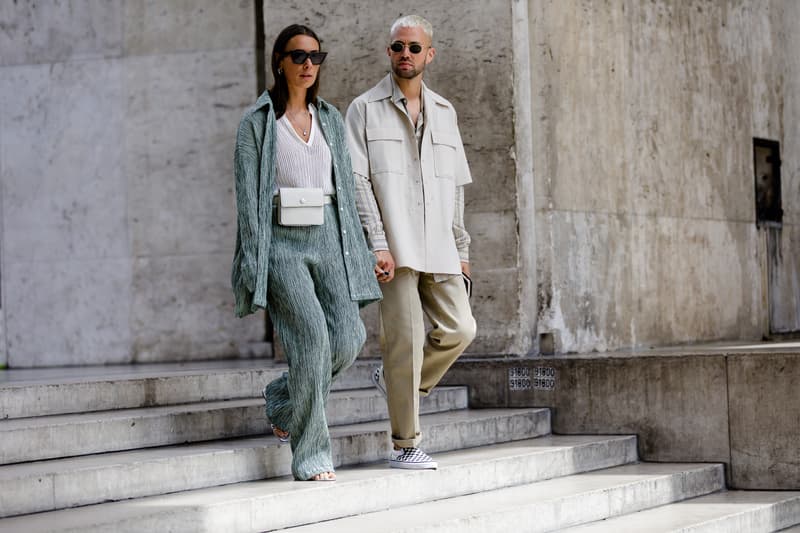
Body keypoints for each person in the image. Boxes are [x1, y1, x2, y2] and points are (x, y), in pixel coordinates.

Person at [232, 24, 381, 482]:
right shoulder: (257, 124)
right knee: (312, 341)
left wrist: (369, 244)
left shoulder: (331, 118)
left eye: (316, 57)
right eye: (298, 57)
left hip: (330, 237)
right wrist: (257, 261)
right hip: (281, 242)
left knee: (349, 338)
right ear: (279, 60)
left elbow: (351, 187)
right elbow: (247, 202)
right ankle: (311, 454)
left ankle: (282, 398)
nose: (308, 66)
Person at [345, 15, 476, 470]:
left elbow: (455, 186)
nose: (406, 54)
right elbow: (358, 181)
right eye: (398, 47)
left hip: (439, 243)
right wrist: (377, 242)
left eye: (414, 48)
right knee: (405, 340)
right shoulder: (364, 109)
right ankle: (406, 444)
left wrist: (461, 250)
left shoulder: (445, 112)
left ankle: (403, 383)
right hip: (395, 246)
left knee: (461, 329)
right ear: (389, 52)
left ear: (429, 54)